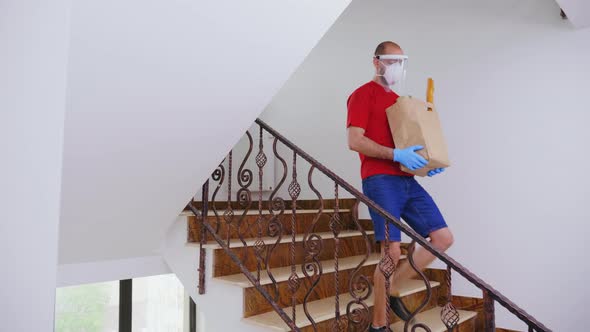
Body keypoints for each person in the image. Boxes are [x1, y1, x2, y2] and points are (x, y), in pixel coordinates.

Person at [346, 41, 454, 332]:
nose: (395, 67)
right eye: (390, 61)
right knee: (391, 253)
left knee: (442, 239)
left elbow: (408, 145)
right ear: (376, 62)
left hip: (406, 181)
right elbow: (355, 141)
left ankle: (391, 287)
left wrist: (425, 164)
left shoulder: (399, 102)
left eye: (400, 62)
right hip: (380, 181)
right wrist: (395, 155)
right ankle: (379, 326)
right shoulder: (361, 95)